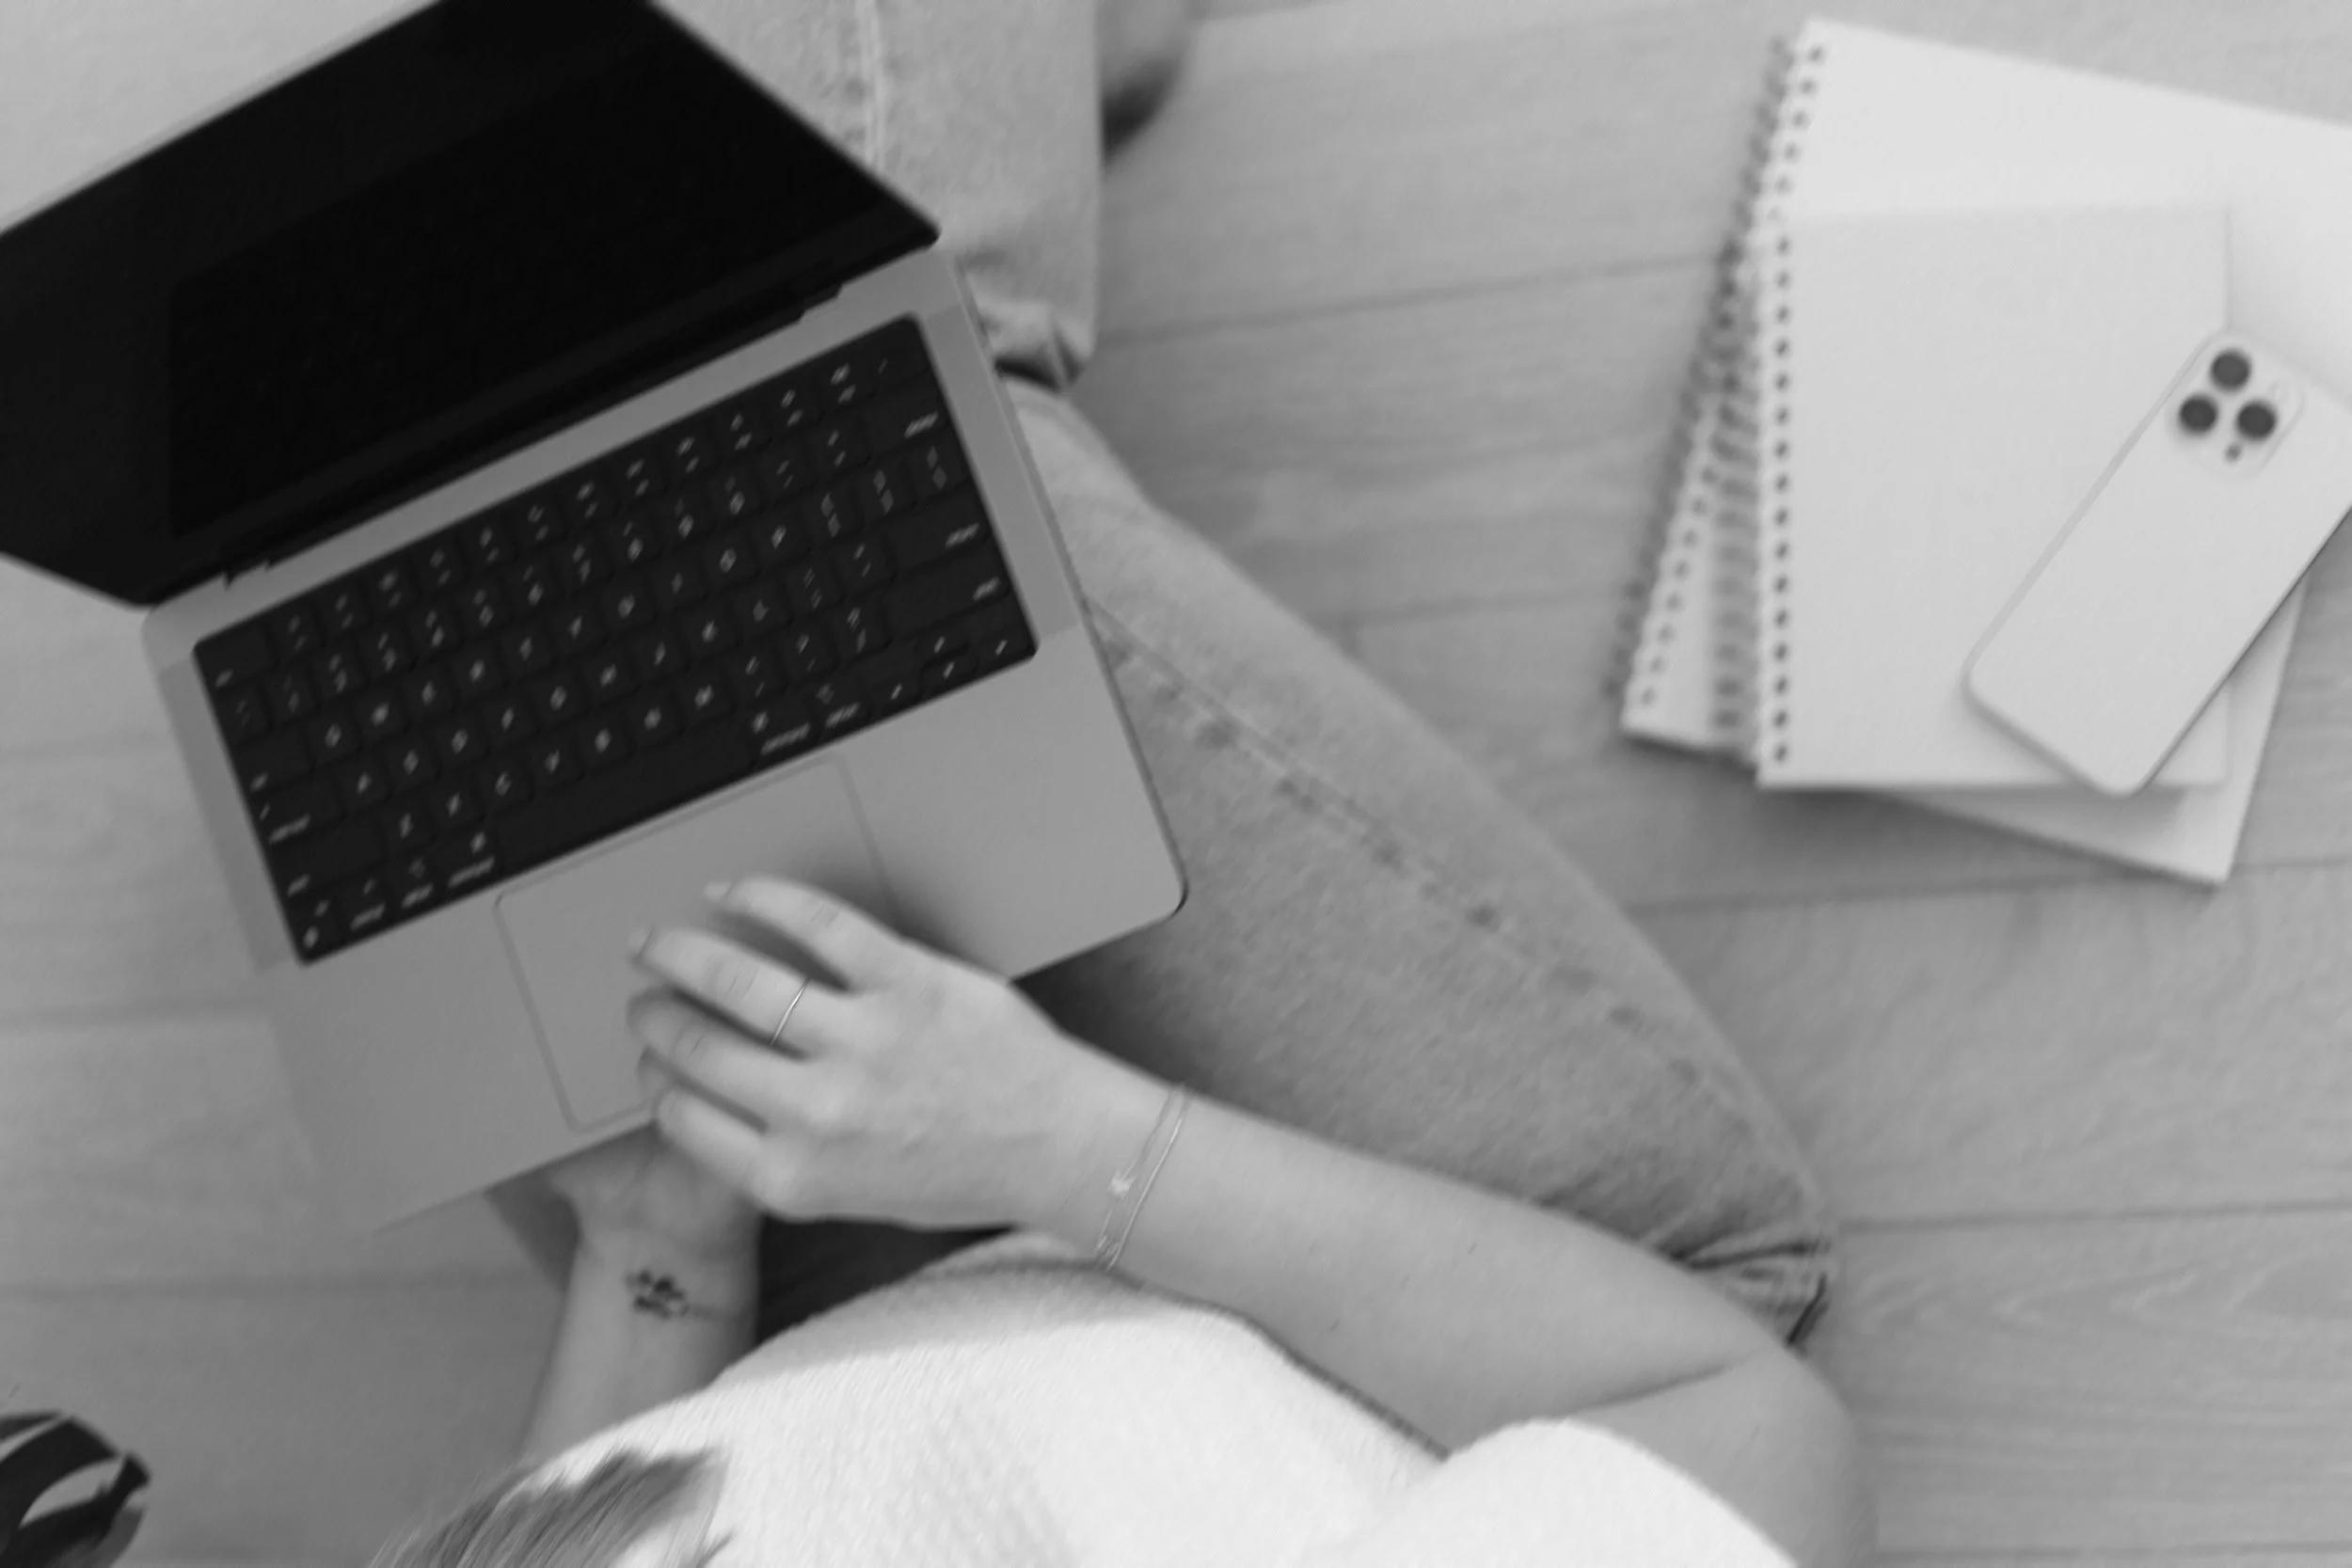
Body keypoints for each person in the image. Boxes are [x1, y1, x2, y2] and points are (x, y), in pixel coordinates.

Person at [374, 0, 1872, 1563]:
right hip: (1525, 1317)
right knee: (854, 395)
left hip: (830, 1270)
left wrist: (655, 1247)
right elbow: (1730, 1415)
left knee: (518, 507)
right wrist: (1048, 1133)